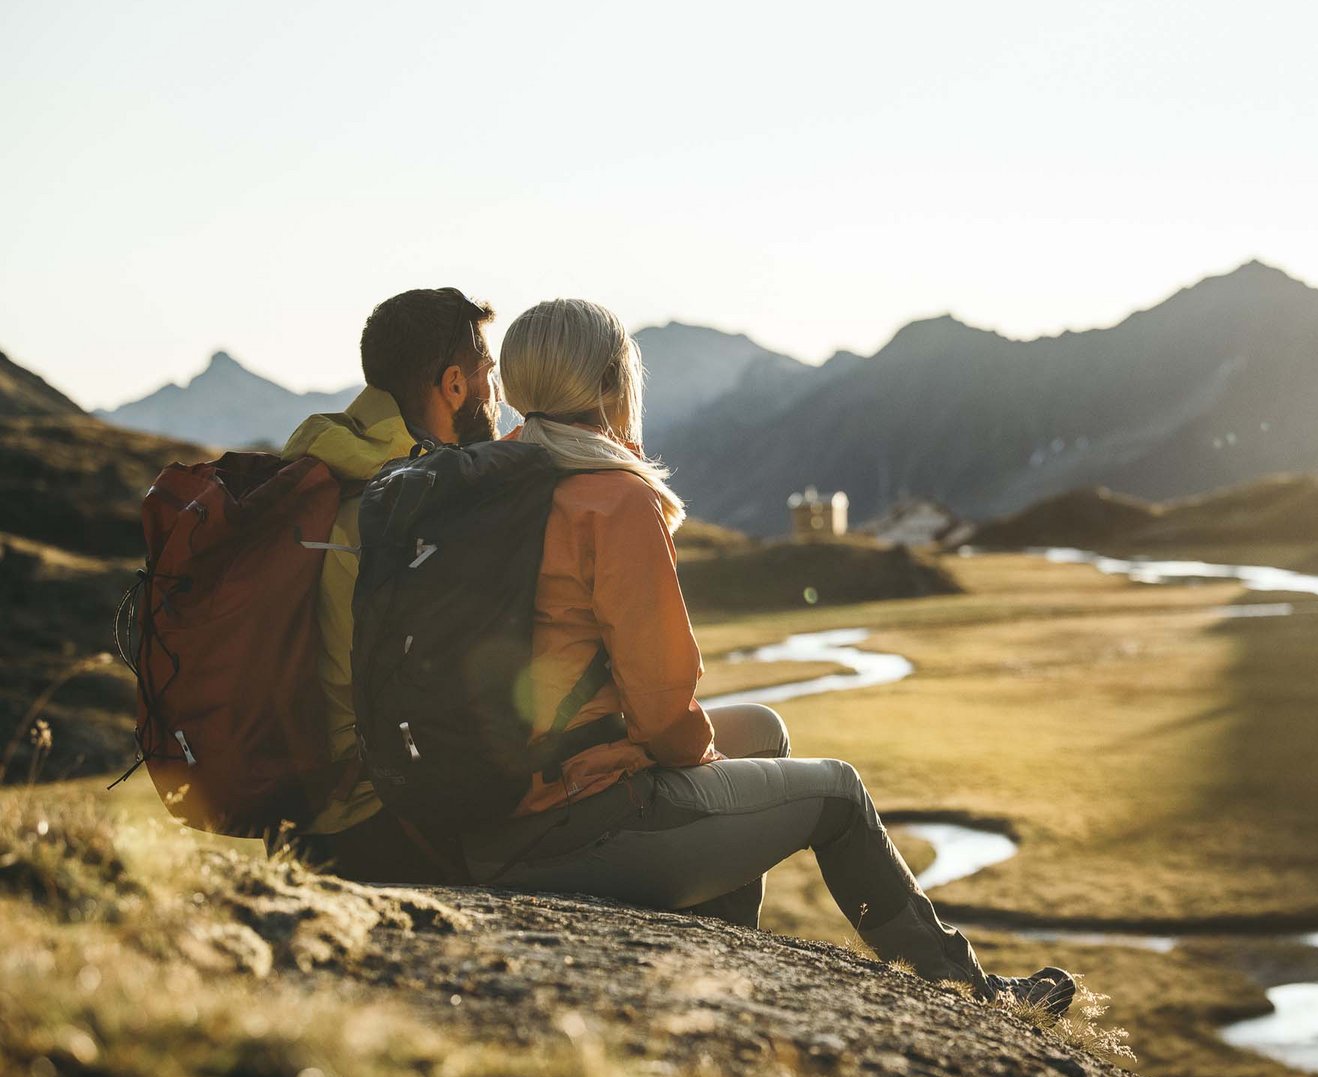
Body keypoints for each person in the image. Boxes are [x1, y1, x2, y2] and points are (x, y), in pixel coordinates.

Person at [459, 297, 1076, 1014]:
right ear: (608, 381)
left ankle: (720, 961)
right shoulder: (610, 498)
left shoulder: (488, 481)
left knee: (766, 731)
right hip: (576, 819)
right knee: (837, 792)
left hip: (499, 800)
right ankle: (969, 992)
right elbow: (663, 709)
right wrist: (693, 762)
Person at [278, 286, 501, 881]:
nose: (495, 393)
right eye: (489, 372)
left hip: (306, 815)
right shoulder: (410, 508)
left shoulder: (327, 470)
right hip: (384, 822)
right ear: (456, 384)